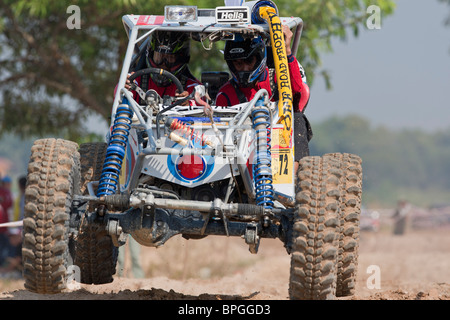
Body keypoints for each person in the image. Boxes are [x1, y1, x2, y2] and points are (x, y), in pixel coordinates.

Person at [215, 26, 312, 171]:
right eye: (239, 64)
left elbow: (298, 92)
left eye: (249, 62)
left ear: (259, 58)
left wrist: (286, 51)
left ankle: (293, 178)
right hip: (238, 161)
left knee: (298, 119)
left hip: (278, 145)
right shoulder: (225, 94)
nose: (245, 69)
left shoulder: (277, 78)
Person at [124, 30, 202, 103]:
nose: (163, 64)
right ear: (151, 54)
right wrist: (124, 85)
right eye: (159, 57)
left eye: (170, 58)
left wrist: (187, 103)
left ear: (181, 58)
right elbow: (119, 94)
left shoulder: (193, 88)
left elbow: (200, 101)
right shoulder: (137, 81)